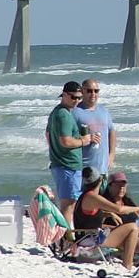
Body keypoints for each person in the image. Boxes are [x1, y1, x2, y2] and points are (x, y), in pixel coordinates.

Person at [73, 167, 139, 270]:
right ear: (101, 181)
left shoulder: (85, 196)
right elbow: (119, 209)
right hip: (90, 241)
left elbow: (88, 220)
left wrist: (107, 214)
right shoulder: (92, 197)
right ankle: (128, 265)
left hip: (88, 237)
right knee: (132, 228)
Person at [46, 81, 92, 225]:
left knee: (68, 204)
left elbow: (47, 134)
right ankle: (66, 240)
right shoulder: (64, 115)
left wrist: (56, 151)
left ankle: (65, 239)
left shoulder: (56, 112)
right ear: (64, 94)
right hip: (68, 167)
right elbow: (66, 141)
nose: (77, 101)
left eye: (79, 98)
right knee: (68, 206)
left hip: (61, 164)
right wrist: (84, 141)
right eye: (73, 97)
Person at [72, 79, 116, 189]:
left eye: (96, 91)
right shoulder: (75, 112)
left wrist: (111, 155)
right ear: (82, 91)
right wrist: (86, 138)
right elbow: (68, 137)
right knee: (84, 203)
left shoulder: (104, 111)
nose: (93, 94)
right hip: (83, 169)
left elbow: (112, 131)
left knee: (101, 202)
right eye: (89, 91)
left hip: (102, 168)